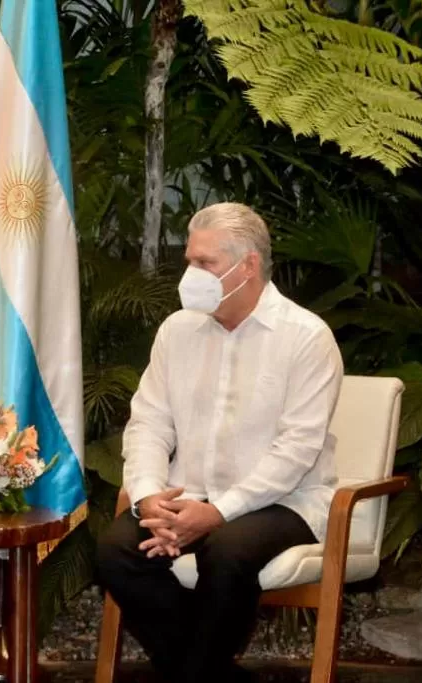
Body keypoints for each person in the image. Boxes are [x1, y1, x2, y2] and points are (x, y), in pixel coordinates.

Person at [96, 202, 344, 683]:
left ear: (247, 265)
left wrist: (219, 512)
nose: (190, 273)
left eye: (203, 263)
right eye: (189, 260)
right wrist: (148, 496)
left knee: (227, 551)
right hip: (187, 495)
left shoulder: (306, 338)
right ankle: (212, 674)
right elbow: (148, 422)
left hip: (284, 502)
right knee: (115, 550)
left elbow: (296, 451)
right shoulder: (177, 330)